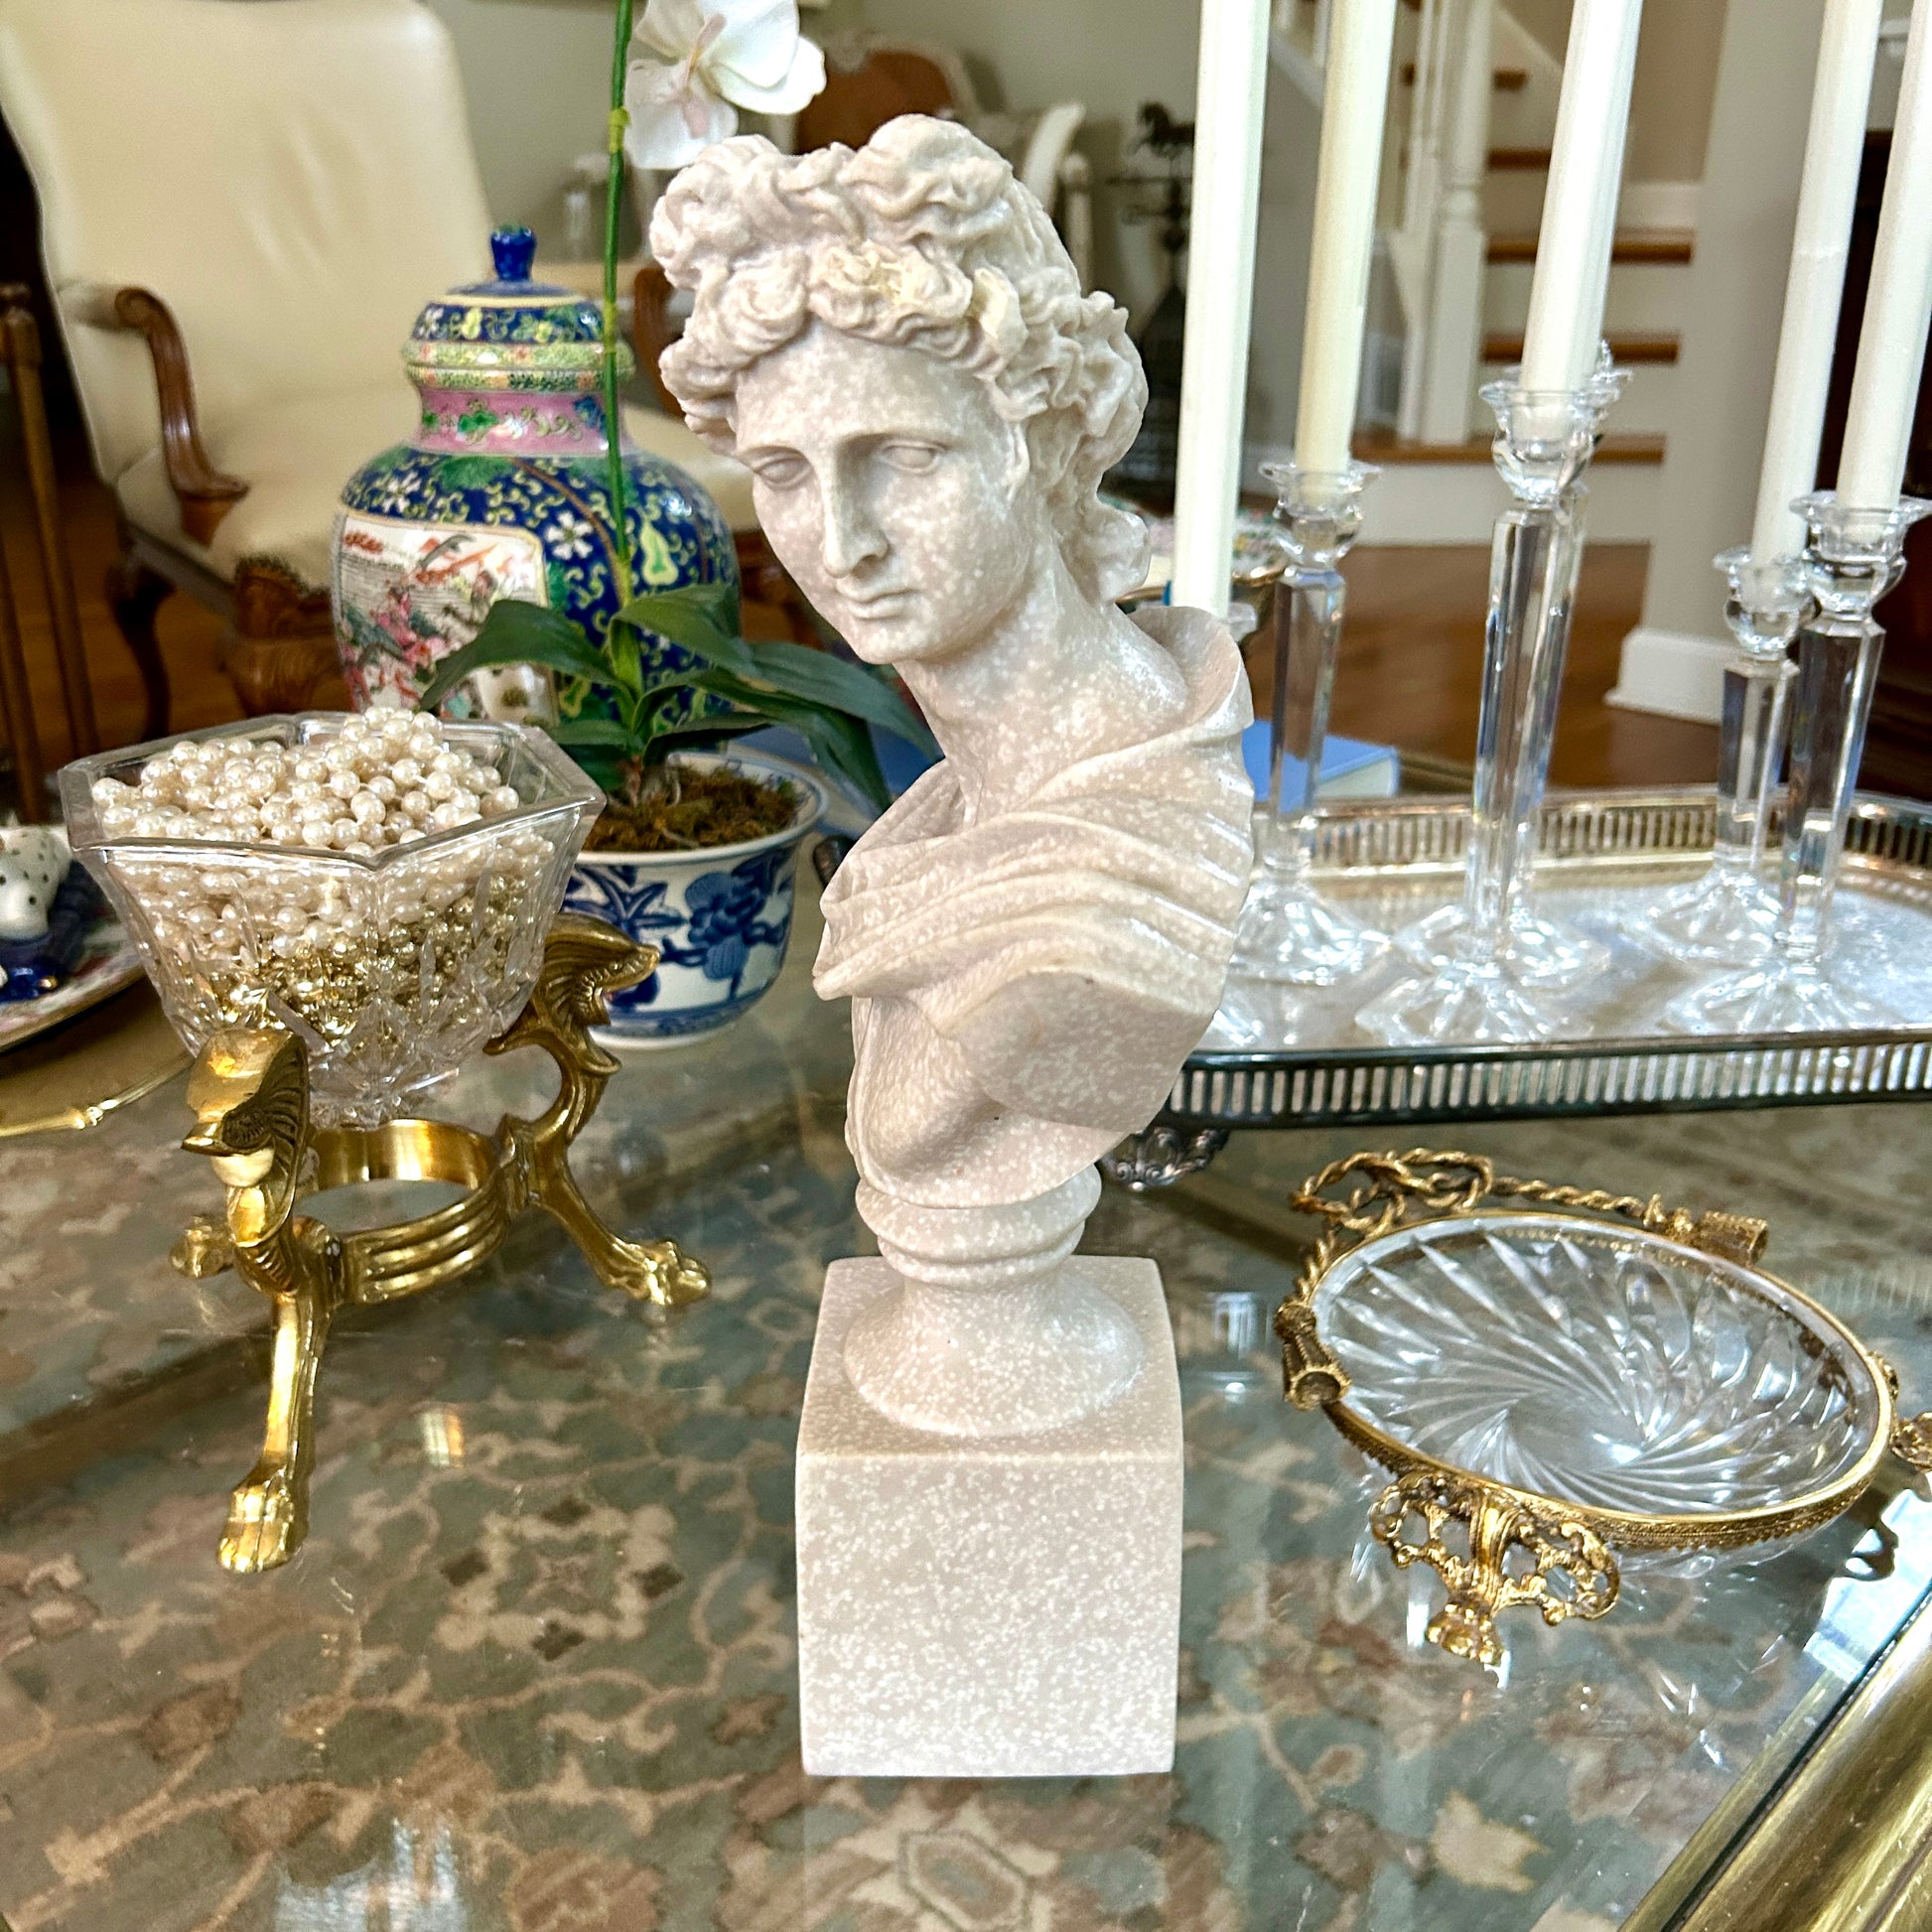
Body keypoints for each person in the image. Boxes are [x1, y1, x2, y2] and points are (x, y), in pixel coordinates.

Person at [652, 114, 1252, 1219]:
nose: (843, 543)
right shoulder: (963, 801)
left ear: (1045, 440)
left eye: (903, 454)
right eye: (782, 471)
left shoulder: (1097, 895)